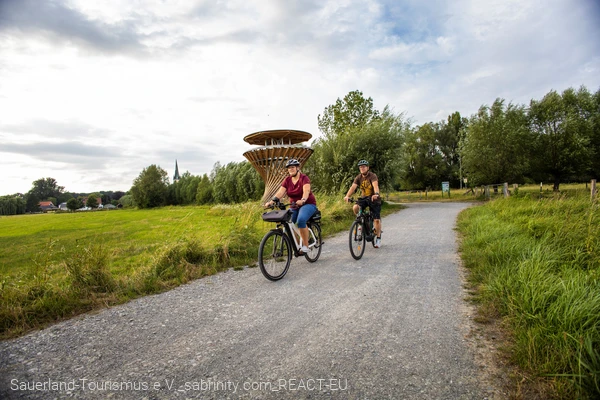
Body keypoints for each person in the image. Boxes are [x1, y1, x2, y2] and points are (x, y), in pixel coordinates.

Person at [264, 158, 317, 253]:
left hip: (308, 204)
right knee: (288, 223)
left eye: (293, 167)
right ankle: (297, 245)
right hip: (294, 206)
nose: (291, 169)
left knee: (301, 220)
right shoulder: (287, 180)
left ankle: (305, 245)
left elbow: (306, 191)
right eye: (289, 168)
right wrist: (271, 202)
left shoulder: (304, 178)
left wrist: (303, 199)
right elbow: (280, 193)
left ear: (297, 168)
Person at [343, 159, 382, 248]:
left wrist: (376, 194)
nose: (362, 168)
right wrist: (347, 196)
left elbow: (375, 186)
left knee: (376, 219)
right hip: (364, 198)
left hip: (373, 198)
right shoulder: (358, 177)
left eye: (364, 167)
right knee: (355, 207)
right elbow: (353, 187)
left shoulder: (372, 176)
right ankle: (361, 222)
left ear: (367, 168)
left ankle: (378, 238)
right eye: (360, 167)